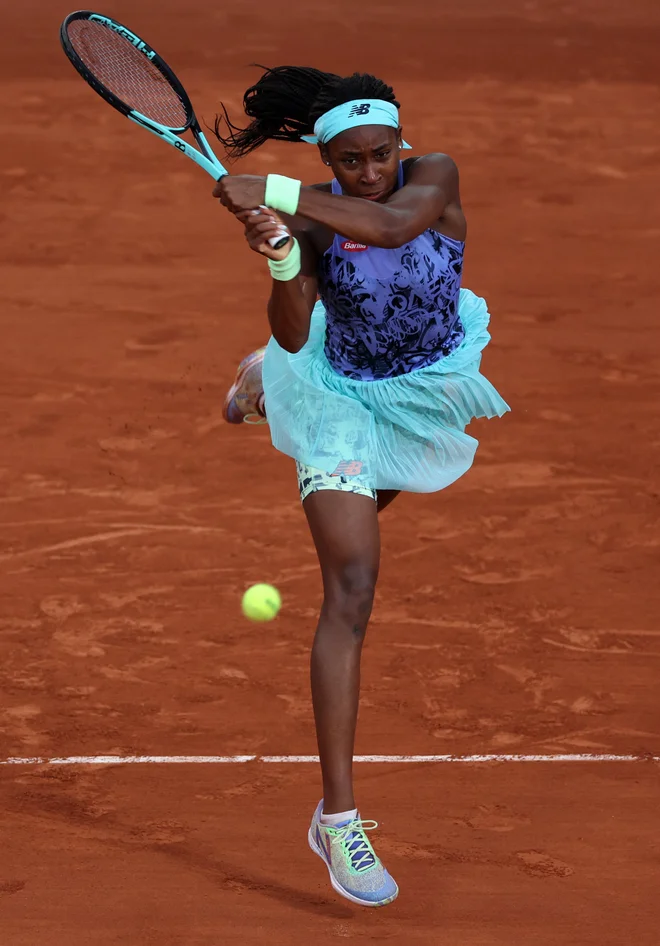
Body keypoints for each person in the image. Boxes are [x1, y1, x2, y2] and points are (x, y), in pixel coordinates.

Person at [213, 66, 510, 908]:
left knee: (367, 512)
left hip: (418, 392)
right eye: (350, 163)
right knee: (352, 584)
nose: (371, 172)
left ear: (401, 144)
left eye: (382, 154)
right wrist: (279, 256)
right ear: (328, 157)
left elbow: (392, 227)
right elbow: (299, 321)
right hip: (337, 397)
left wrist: (275, 192)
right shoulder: (306, 208)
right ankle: (337, 818)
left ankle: (254, 380)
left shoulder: (435, 177)